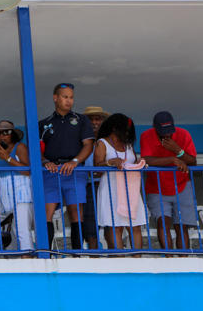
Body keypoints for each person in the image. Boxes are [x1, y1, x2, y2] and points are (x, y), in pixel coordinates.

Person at [39, 83, 94, 249]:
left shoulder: (81, 120)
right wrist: (45, 162)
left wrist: (75, 161)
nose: (69, 100)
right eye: (65, 97)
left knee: (76, 212)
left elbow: (88, 145)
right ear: (55, 98)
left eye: (71, 97)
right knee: (47, 212)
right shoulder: (43, 123)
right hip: (51, 171)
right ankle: (46, 253)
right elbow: (36, 150)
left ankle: (77, 253)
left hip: (74, 170)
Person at [140, 111, 197, 249]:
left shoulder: (183, 134)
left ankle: (183, 258)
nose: (166, 135)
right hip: (156, 187)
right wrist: (172, 160)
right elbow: (146, 160)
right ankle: (169, 257)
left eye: (169, 131)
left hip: (182, 186)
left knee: (181, 226)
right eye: (162, 132)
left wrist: (178, 150)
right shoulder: (146, 135)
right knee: (163, 223)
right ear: (155, 128)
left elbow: (193, 161)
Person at [94, 113, 146, 250]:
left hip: (130, 190)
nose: (127, 133)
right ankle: (120, 257)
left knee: (135, 226)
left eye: (129, 131)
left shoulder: (128, 145)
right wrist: (110, 162)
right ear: (114, 128)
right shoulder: (102, 143)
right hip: (111, 189)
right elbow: (96, 169)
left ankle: (137, 257)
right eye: (125, 130)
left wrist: (139, 162)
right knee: (115, 226)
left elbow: (132, 162)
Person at [0, 120, 35, 250]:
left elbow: (27, 170)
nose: (1, 136)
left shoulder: (20, 147)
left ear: (12, 134)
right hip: (7, 200)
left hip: (22, 196)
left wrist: (8, 158)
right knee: (14, 230)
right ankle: (22, 255)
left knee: (21, 229)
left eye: (6, 132)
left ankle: (27, 255)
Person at [81, 106, 109, 249]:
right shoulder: (81, 140)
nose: (94, 122)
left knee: (110, 222)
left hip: (106, 184)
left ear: (103, 121)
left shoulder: (109, 140)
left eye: (97, 119)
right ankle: (94, 255)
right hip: (87, 185)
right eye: (90, 119)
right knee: (90, 223)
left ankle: (116, 255)